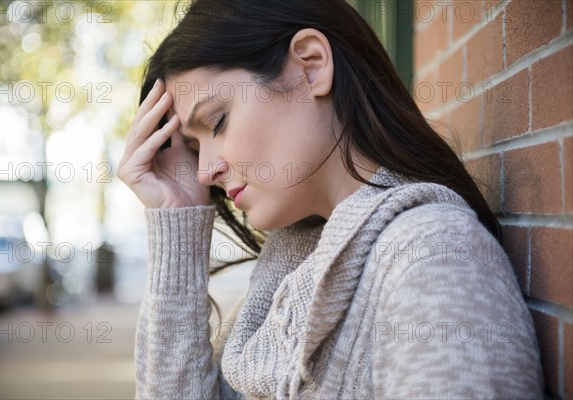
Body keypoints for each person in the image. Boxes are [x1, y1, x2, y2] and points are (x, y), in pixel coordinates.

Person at [117, 0, 543, 398]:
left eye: (217, 121)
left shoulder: (433, 261)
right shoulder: (290, 269)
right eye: (194, 148)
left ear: (311, 66)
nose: (206, 170)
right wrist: (178, 216)